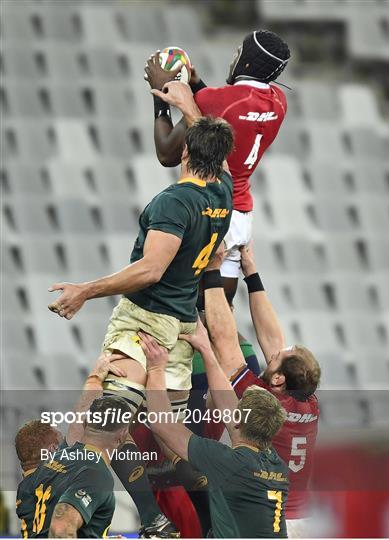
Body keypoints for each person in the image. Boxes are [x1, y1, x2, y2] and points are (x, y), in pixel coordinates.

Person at [47, 86, 234, 536]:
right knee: (172, 447)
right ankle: (216, 521)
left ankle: (152, 520)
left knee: (100, 434)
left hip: (144, 326)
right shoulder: (224, 191)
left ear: (186, 149)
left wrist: (85, 291)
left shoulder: (174, 203)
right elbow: (218, 244)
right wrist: (181, 101)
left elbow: (150, 269)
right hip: (182, 329)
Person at [145, 30, 290, 304]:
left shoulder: (217, 102)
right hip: (242, 214)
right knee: (223, 313)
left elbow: (167, 154)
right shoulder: (279, 100)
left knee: (192, 312)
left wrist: (160, 99)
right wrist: (199, 86)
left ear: (245, 62)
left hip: (214, 211)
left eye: (238, 53)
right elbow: (231, 108)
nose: (232, 58)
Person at [201, 244, 321, 538]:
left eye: (276, 358)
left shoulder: (258, 397)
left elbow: (223, 341)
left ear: (278, 379)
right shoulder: (308, 400)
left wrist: (213, 270)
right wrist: (251, 274)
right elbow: (272, 339)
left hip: (277, 520)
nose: (271, 354)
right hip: (303, 518)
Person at [141, 327, 289, 539]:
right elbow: (231, 411)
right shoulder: (274, 461)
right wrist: (206, 351)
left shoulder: (228, 462)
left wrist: (156, 369)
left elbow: (163, 426)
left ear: (238, 421)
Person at [15, 353, 128, 539]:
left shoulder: (44, 472)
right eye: (61, 440)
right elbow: (60, 530)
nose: (66, 445)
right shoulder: (93, 473)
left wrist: (95, 378)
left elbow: (78, 422)